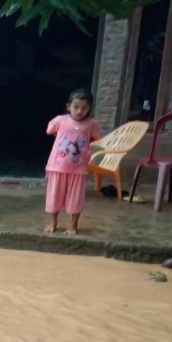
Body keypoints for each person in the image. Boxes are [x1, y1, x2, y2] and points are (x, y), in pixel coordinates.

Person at [45, 89, 100, 235]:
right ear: (68, 106)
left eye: (84, 108)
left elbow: (95, 138)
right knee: (54, 196)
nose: (80, 111)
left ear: (89, 108)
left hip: (79, 169)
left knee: (75, 199)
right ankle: (53, 223)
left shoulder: (92, 124)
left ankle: (73, 226)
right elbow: (50, 130)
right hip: (57, 166)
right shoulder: (60, 120)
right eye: (76, 107)